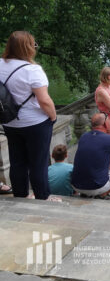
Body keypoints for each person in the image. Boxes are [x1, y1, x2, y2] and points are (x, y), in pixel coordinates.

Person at [0, 31, 57, 200]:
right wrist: (53, 117)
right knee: (38, 163)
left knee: (17, 162)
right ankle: (42, 197)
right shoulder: (32, 70)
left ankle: (20, 196)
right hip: (35, 123)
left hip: (9, 122)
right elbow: (44, 101)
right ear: (28, 48)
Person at [71, 113, 110, 199]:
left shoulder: (84, 136)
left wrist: (109, 160)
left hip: (76, 186)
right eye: (109, 121)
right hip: (96, 187)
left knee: (106, 166)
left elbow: (91, 156)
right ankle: (102, 194)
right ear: (105, 124)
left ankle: (88, 193)